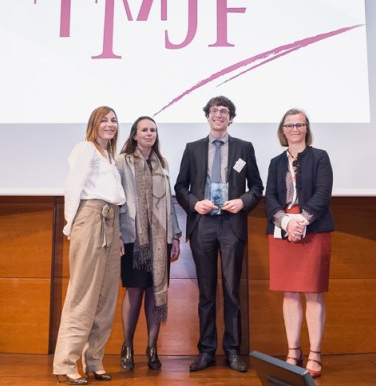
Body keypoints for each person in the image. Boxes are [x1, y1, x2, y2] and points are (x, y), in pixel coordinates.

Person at [174, 95, 263, 373]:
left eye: (224, 111)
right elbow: (180, 187)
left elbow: (256, 187)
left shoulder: (244, 148)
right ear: (207, 116)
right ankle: (206, 351)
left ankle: (233, 351)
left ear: (231, 118)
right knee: (207, 293)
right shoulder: (192, 149)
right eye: (214, 110)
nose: (219, 115)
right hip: (203, 225)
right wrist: (194, 204)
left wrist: (243, 202)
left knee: (232, 291)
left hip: (231, 225)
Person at [53, 106, 126, 385]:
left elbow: (114, 196)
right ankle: (66, 363)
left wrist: (118, 236)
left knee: (105, 299)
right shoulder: (85, 149)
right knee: (82, 295)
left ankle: (94, 360)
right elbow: (73, 189)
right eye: (104, 120)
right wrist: (71, 226)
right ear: (93, 124)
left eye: (114, 120)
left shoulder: (110, 156)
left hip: (111, 221)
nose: (110, 124)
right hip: (91, 218)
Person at [265, 108, 335, 379]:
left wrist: (302, 221)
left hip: (314, 229)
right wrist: (285, 222)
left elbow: (323, 193)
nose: (294, 129)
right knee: (290, 293)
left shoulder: (320, 157)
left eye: (299, 125)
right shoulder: (275, 162)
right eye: (289, 125)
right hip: (282, 230)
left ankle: (315, 352)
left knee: (313, 292)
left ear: (306, 128)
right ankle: (293, 351)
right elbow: (271, 197)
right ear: (282, 130)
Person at [115, 116, 182, 371]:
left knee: (156, 291)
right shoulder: (122, 162)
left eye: (153, 130)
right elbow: (116, 200)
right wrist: (118, 235)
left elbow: (169, 202)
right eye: (144, 130)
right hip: (133, 237)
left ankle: (152, 348)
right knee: (134, 290)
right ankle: (127, 346)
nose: (149, 133)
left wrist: (176, 235)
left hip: (160, 239)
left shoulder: (161, 163)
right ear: (134, 135)